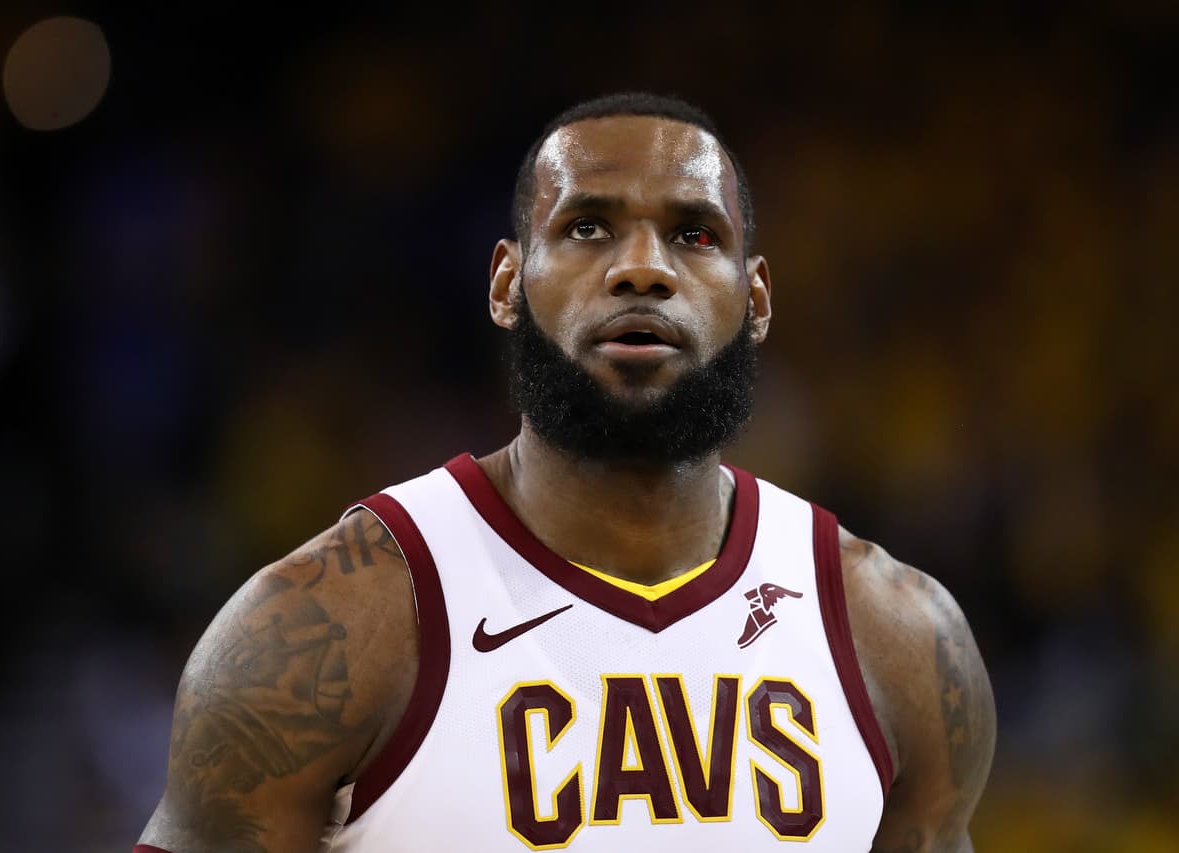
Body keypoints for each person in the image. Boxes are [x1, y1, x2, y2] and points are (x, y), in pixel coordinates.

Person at [135, 91, 995, 853]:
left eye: (694, 235)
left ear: (755, 300)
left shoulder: (899, 637)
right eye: (588, 226)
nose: (643, 268)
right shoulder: (326, 627)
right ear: (507, 283)